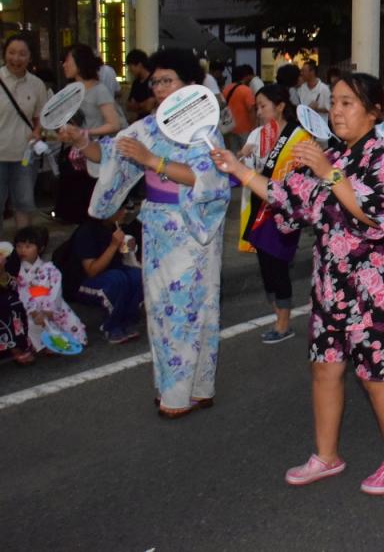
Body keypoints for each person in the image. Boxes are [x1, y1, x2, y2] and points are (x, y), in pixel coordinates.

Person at [211, 72, 384, 495]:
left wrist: (329, 173)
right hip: (330, 285)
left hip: (374, 289)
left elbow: (376, 218)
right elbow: (286, 196)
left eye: (347, 103)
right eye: (334, 102)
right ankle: (326, 456)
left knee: (375, 376)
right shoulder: (331, 154)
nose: (336, 111)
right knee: (325, 368)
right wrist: (238, 169)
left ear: (373, 112)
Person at [57, 48, 230, 418]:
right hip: (157, 223)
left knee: (186, 308)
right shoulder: (149, 126)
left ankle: (184, 394)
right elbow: (112, 154)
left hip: (190, 227)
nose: (160, 88)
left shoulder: (205, 128)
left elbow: (210, 178)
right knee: (161, 308)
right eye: (156, 81)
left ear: (190, 84)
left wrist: (153, 160)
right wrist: (81, 141)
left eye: (168, 80)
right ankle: (184, 388)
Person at [236, 84, 311, 344]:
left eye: (263, 106)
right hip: (260, 207)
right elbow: (245, 166)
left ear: (280, 106)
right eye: (257, 107)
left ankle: (283, 323)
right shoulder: (257, 134)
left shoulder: (299, 136)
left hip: (283, 211)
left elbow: (304, 176)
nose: (259, 112)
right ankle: (278, 316)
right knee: (266, 267)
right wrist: (243, 157)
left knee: (278, 265)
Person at [57, 44, 128, 223]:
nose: (64, 65)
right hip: (79, 156)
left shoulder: (99, 90)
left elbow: (114, 124)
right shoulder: (71, 91)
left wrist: (85, 133)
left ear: (80, 62)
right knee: (79, 207)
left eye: (67, 60)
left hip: (97, 156)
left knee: (93, 205)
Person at [67, 201, 143, 344]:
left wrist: (129, 249)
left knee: (136, 276)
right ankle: (111, 326)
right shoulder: (87, 231)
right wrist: (113, 246)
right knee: (117, 278)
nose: (124, 212)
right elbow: (92, 270)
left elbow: (126, 262)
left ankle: (128, 321)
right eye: (120, 209)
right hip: (83, 282)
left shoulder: (118, 227)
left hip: (110, 275)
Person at [0, 34, 46, 238]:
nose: (16, 58)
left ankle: (24, 250)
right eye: (11, 53)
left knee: (24, 204)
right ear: (4, 54)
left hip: (24, 156)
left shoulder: (37, 84)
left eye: (22, 54)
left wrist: (37, 131)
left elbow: (41, 117)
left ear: (30, 57)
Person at [15, 226, 87, 352]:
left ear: (40, 248)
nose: (22, 250)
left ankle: (61, 341)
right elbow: (22, 293)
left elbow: (55, 292)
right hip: (31, 309)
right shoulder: (17, 272)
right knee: (31, 323)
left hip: (51, 306)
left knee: (66, 321)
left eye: (28, 246)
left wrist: (47, 311)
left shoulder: (50, 269)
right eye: (19, 246)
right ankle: (45, 345)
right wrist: (33, 311)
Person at [0, 241, 35, 364]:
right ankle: (14, 347)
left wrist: (2, 272)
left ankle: (20, 344)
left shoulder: (6, 250)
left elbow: (12, 285)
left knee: (14, 301)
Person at [220, 64, 257, 151]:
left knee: (234, 153)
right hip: (245, 129)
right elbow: (251, 110)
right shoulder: (246, 90)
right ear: (246, 76)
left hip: (230, 128)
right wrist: (254, 127)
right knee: (247, 154)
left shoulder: (226, 89)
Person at [124, 49, 155, 119]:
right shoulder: (136, 83)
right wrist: (142, 105)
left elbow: (149, 106)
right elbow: (128, 106)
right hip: (140, 119)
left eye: (131, 66)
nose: (129, 70)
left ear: (139, 65)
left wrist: (137, 105)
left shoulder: (153, 79)